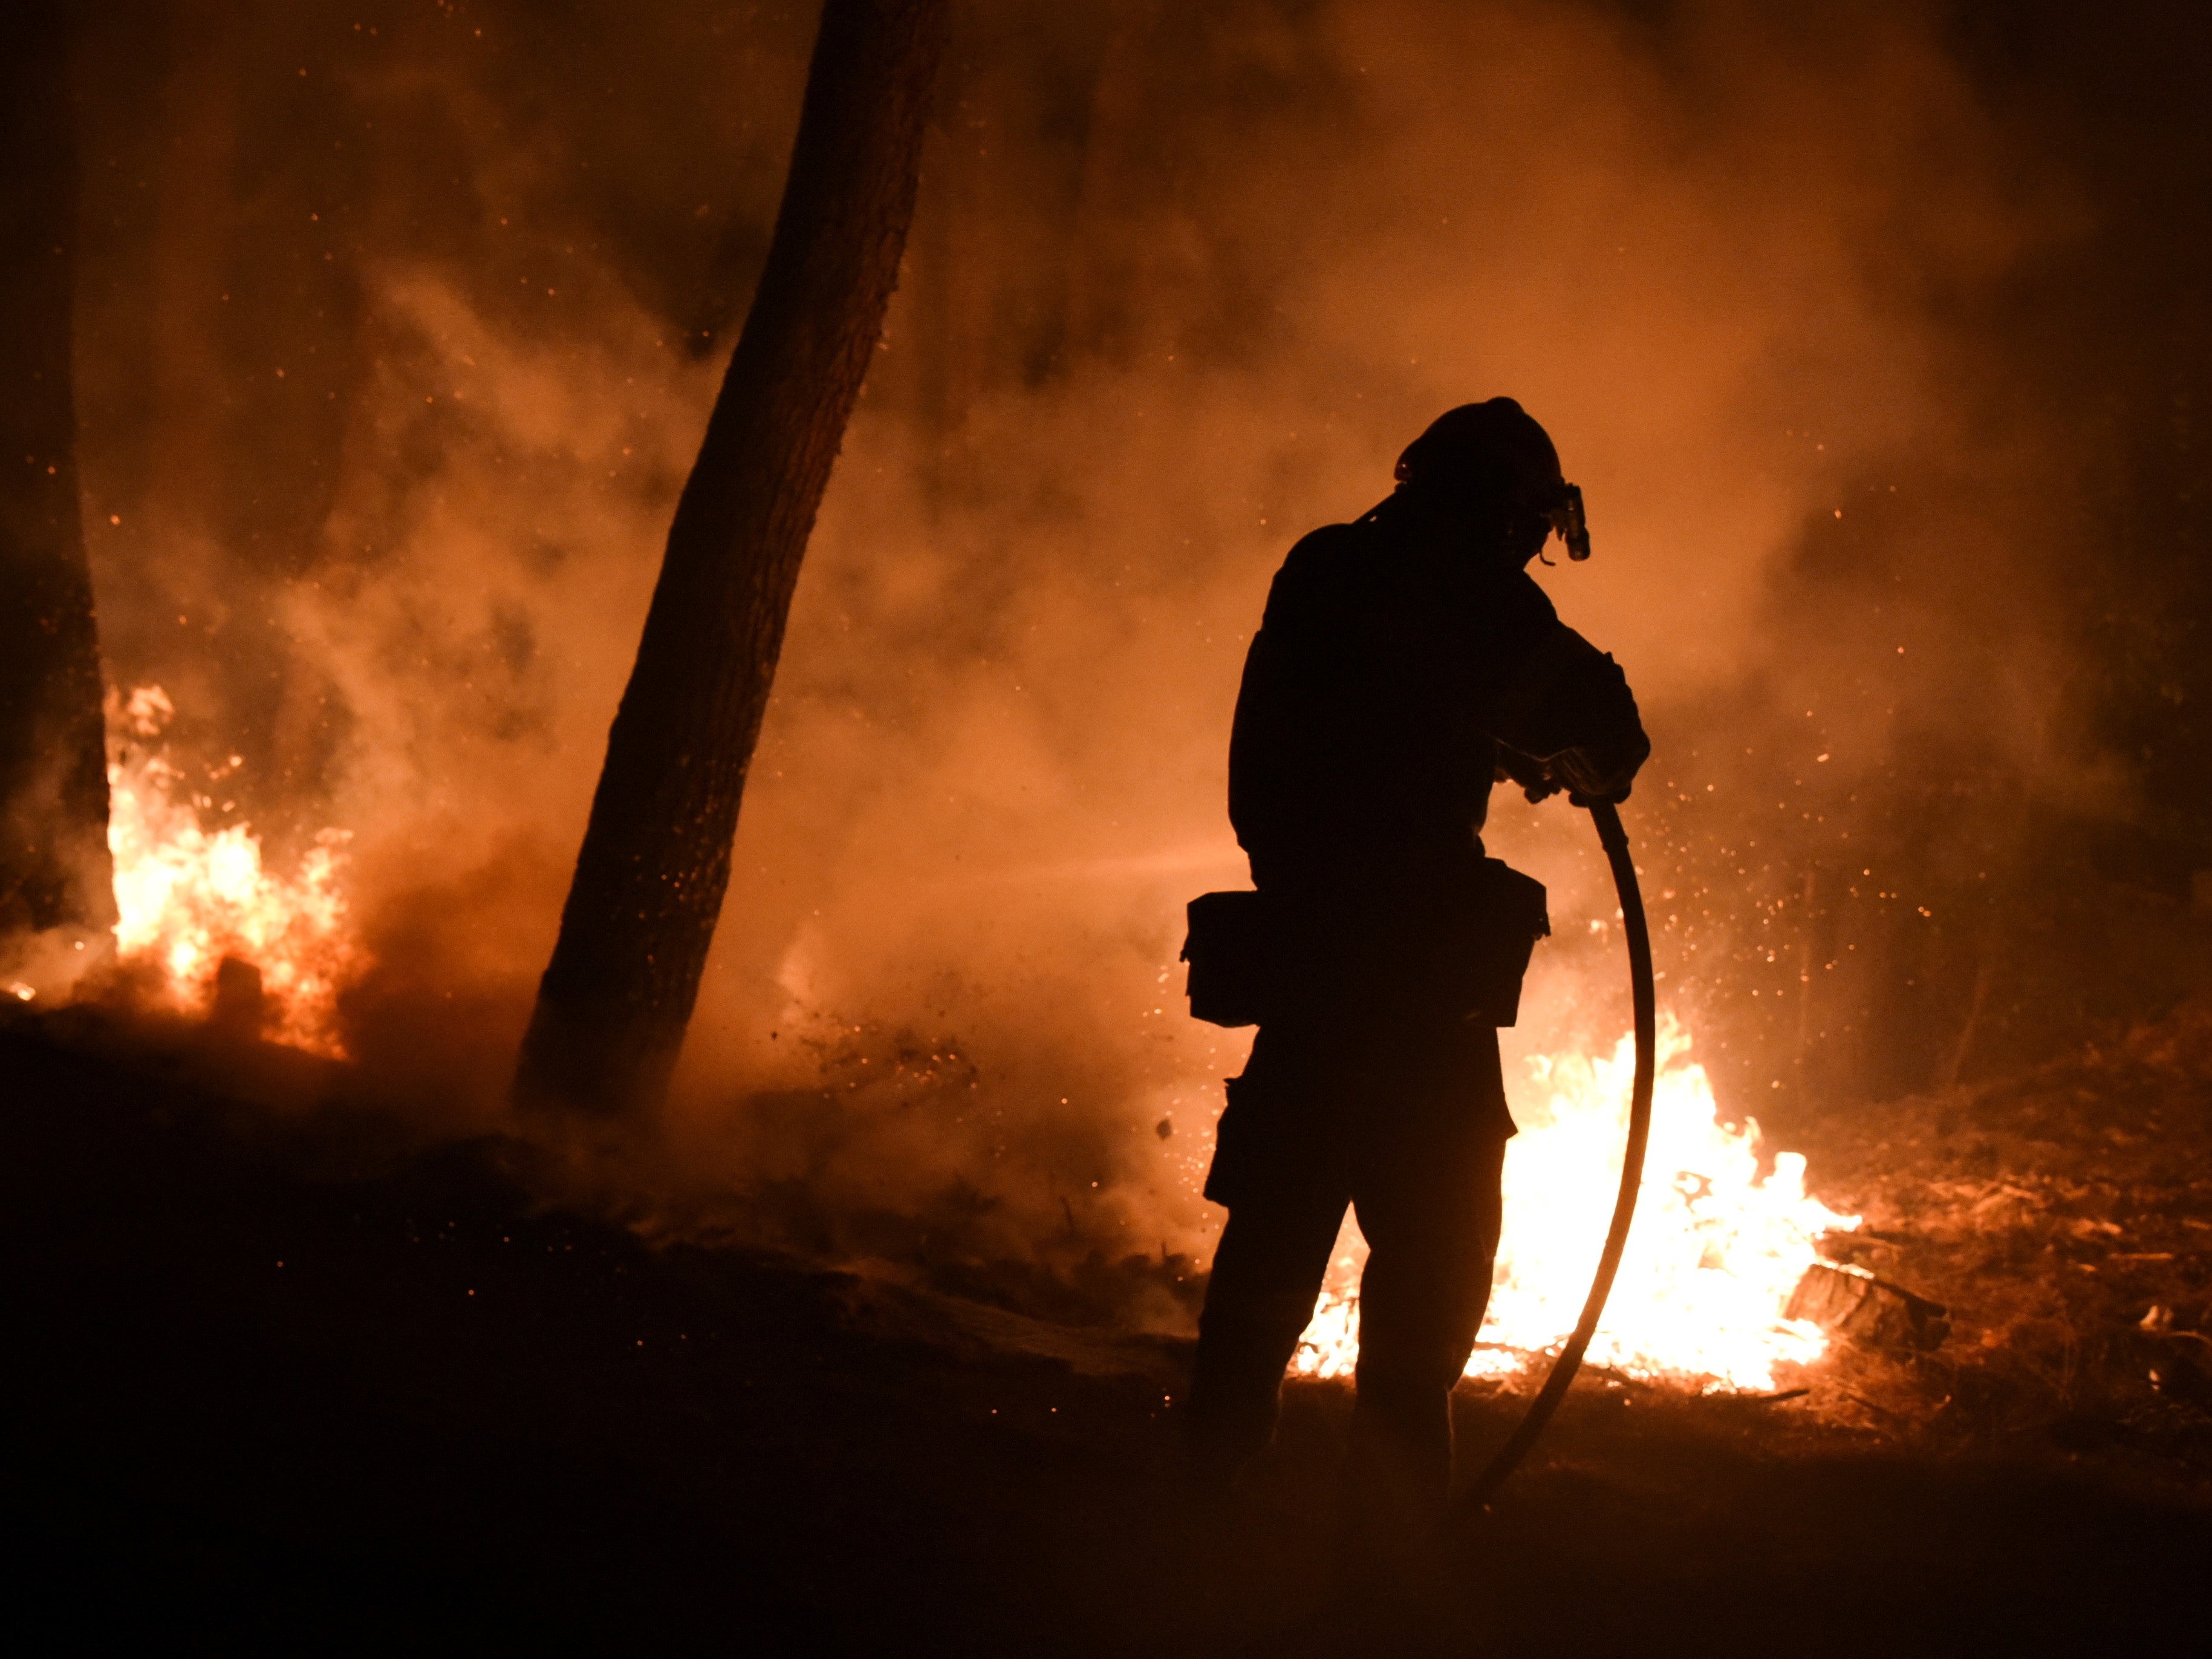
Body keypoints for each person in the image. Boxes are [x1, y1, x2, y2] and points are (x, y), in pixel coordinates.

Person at [1185, 398, 1650, 1531]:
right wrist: (1546, 746)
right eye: (1523, 524)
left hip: (1303, 972)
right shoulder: (1475, 596)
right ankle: (1388, 1557)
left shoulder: (1326, 568)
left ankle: (1198, 1509)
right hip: (1409, 1006)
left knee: (1266, 1265)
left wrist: (1484, 739)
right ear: (1497, 512)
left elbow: (1371, 709)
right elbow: (1606, 727)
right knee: (1431, 1281)